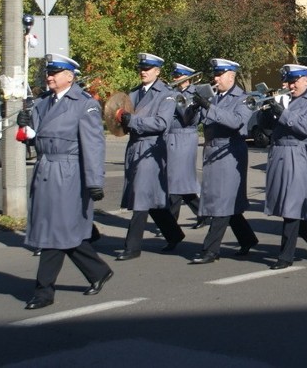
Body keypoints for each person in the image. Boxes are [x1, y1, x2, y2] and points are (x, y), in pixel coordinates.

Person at [18, 54, 113, 310]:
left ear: (69, 76)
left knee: (54, 232)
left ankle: (44, 291)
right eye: (48, 73)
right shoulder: (42, 103)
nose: (49, 77)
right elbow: (35, 139)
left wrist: (95, 181)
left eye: (55, 73)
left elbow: (93, 145)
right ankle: (98, 271)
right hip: (45, 170)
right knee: (62, 231)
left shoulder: (84, 104)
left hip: (69, 173)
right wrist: (24, 128)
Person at [189, 59, 259, 264]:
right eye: (215, 75)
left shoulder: (244, 98)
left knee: (222, 202)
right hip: (212, 151)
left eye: (220, 75)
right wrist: (193, 107)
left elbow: (236, 121)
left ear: (231, 76)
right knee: (228, 202)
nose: (215, 79)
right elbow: (191, 122)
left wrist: (208, 107)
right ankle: (247, 239)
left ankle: (210, 250)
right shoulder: (214, 97)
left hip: (230, 151)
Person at [116, 53, 184, 261]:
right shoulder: (134, 93)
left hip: (152, 148)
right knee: (151, 198)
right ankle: (174, 234)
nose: (143, 72)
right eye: (141, 68)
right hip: (135, 147)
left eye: (148, 68)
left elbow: (162, 123)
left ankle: (132, 246)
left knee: (141, 197)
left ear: (157, 71)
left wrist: (133, 121)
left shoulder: (166, 94)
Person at [263, 64, 307, 270]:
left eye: (295, 81)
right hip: (280, 154)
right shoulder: (287, 99)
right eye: (289, 81)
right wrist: (267, 114)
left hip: (299, 154)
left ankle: (286, 256)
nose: (291, 86)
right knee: (283, 204)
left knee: (292, 205)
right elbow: (272, 128)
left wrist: (283, 113)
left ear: (306, 80)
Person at [167, 63, 205, 229]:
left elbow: (188, 118)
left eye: (178, 76)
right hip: (172, 137)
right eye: (174, 76)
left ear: (186, 78)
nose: (174, 79)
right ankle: (203, 213)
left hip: (185, 137)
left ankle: (171, 225)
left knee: (176, 182)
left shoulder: (193, 94)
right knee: (181, 182)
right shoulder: (174, 92)